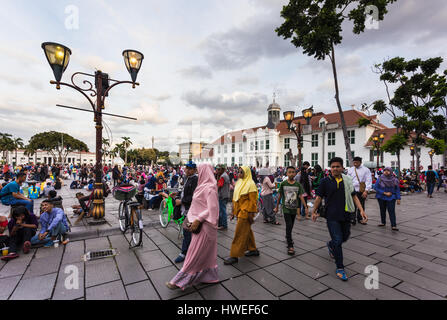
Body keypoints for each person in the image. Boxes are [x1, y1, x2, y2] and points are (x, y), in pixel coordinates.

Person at [312, 157, 368, 281]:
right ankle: (340, 267)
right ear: (330, 168)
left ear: (342, 168)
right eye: (333, 167)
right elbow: (319, 198)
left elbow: (354, 196)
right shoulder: (325, 181)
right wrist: (314, 211)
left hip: (346, 214)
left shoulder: (347, 180)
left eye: (338, 166)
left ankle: (330, 244)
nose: (335, 168)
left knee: (345, 237)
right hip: (331, 216)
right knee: (338, 240)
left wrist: (362, 210)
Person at [166, 164, 219, 290]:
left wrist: (198, 219)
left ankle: (179, 280)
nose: (198, 173)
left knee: (193, 253)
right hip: (197, 222)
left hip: (204, 226)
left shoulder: (210, 188)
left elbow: (212, 209)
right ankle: (210, 276)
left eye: (200, 171)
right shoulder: (202, 186)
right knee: (207, 254)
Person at [224, 166, 259, 265]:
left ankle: (234, 255)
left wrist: (250, 214)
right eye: (238, 172)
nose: (239, 174)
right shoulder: (240, 182)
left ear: (246, 173)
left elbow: (253, 202)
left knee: (239, 233)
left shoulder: (251, 184)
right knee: (246, 230)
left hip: (245, 212)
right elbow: (236, 199)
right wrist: (233, 212)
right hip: (240, 212)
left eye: (241, 172)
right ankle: (253, 249)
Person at [275, 166, 308, 255]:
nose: (291, 174)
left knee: (291, 225)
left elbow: (301, 196)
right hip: (286, 208)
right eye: (289, 172)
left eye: (293, 172)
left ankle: (288, 236)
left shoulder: (297, 185)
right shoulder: (283, 183)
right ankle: (290, 245)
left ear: (295, 173)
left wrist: (305, 206)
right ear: (286, 173)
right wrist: (277, 207)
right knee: (289, 225)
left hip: (294, 209)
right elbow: (280, 196)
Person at [174, 161, 198, 263]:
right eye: (186, 167)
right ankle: (189, 251)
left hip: (190, 210)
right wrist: (178, 195)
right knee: (187, 231)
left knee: (187, 231)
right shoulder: (187, 178)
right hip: (185, 209)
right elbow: (184, 191)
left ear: (194, 170)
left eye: (189, 168)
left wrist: (182, 201)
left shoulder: (195, 179)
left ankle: (184, 253)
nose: (187, 170)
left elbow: (194, 196)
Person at [347, 157, 372, 225]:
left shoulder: (366, 170)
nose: (355, 164)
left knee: (361, 204)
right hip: (352, 190)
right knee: (352, 205)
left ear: (360, 162)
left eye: (356, 162)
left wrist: (366, 191)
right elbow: (347, 179)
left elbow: (368, 180)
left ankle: (360, 218)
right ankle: (352, 219)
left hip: (361, 190)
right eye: (354, 162)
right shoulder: (350, 170)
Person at [374, 167, 401, 231]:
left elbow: (397, 189)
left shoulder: (394, 179)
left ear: (391, 172)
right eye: (385, 170)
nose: (386, 172)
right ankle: (383, 222)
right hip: (381, 196)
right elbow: (376, 188)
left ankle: (393, 225)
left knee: (391, 211)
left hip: (391, 197)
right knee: (382, 210)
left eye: (388, 170)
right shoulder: (380, 179)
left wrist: (398, 198)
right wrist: (384, 193)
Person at [217, 164, 231, 230]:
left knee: (222, 211)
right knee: (223, 210)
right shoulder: (226, 175)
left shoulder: (222, 176)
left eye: (219, 169)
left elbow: (219, 186)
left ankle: (223, 225)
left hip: (222, 195)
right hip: (226, 194)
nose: (217, 171)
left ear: (222, 169)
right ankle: (222, 224)